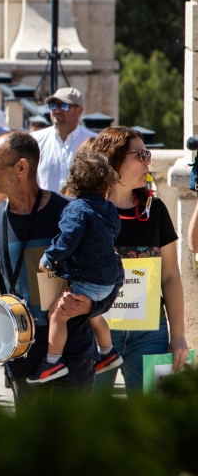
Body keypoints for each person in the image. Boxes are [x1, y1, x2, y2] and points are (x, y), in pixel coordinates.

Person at [0, 131, 98, 402]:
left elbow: (107, 277)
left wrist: (91, 306)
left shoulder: (72, 214)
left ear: (21, 167)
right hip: (21, 354)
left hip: (74, 351)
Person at [87, 128, 187, 394]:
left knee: (150, 424)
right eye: (140, 154)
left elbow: (171, 276)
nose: (148, 161)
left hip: (149, 334)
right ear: (113, 159)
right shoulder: (84, 212)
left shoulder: (155, 211)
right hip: (96, 332)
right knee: (86, 422)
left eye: (148, 153)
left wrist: (178, 335)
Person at [30, 150, 125, 384]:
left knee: (58, 314)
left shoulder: (77, 209)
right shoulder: (109, 208)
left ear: (74, 182)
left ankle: (52, 363)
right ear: (106, 184)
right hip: (108, 281)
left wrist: (49, 258)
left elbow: (68, 238)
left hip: (87, 281)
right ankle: (108, 352)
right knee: (94, 314)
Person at [31, 86, 97, 193]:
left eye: (64, 106)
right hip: (46, 208)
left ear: (79, 111)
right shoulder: (36, 140)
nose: (57, 110)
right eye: (53, 105)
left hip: (80, 208)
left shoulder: (92, 142)